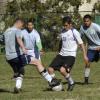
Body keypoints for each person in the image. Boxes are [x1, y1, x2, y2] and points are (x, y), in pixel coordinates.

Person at [4, 18, 60, 93]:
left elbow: (2, 40)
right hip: (16, 56)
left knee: (20, 71)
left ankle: (17, 87)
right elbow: (19, 38)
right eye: (22, 26)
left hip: (8, 57)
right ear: (19, 23)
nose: (22, 27)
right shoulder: (17, 30)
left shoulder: (6, 31)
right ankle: (51, 80)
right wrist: (23, 48)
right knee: (37, 62)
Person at [48, 16, 88, 91]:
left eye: (66, 25)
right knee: (50, 69)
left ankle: (71, 82)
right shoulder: (62, 31)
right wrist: (58, 52)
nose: (65, 27)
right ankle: (55, 82)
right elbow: (61, 42)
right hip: (61, 54)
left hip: (70, 56)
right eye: (64, 25)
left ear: (70, 24)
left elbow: (81, 44)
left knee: (63, 70)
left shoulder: (74, 32)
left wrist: (85, 55)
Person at [80, 14, 100, 84]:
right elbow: (79, 38)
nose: (86, 23)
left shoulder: (96, 27)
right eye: (85, 21)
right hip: (91, 48)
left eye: (87, 21)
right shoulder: (82, 28)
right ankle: (86, 80)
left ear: (90, 21)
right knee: (87, 62)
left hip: (99, 47)